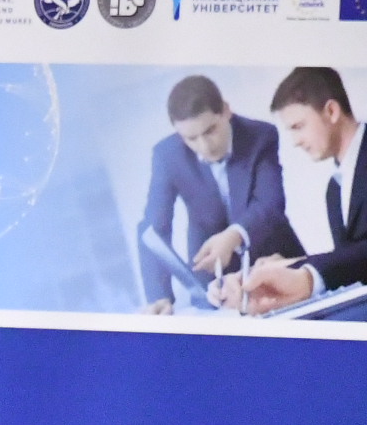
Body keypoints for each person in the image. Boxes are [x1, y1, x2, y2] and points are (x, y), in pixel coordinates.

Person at [138, 74, 294, 310]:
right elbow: (153, 229)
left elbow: (270, 204)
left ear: (226, 111)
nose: (204, 146)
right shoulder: (166, 156)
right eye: (191, 138)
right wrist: (160, 297)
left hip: (274, 259)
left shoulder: (261, 136)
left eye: (210, 130)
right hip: (210, 278)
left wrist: (234, 236)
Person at [233, 67, 367, 311]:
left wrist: (307, 274)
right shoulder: (334, 190)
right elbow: (353, 262)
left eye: (298, 126)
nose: (295, 141)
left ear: (331, 111)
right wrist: (290, 267)